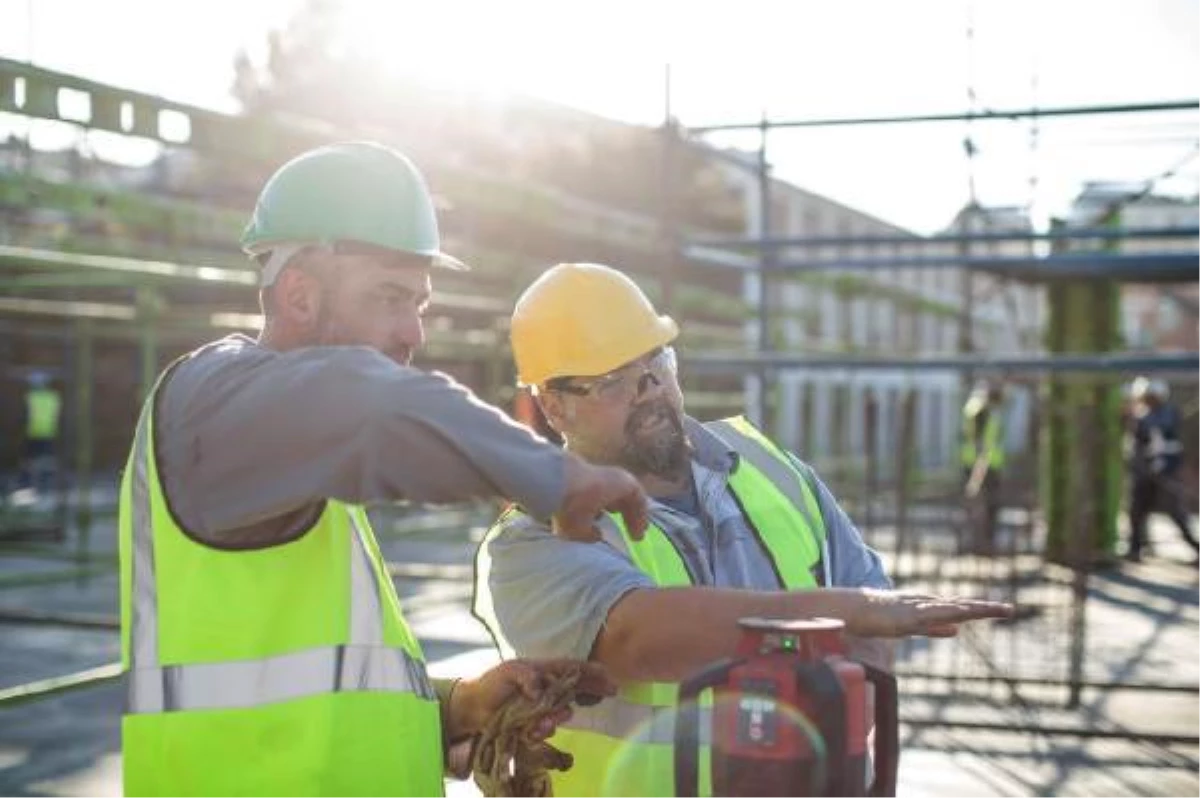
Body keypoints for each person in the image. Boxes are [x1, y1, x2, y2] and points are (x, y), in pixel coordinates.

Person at [117, 143, 650, 797]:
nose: (413, 333)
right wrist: (555, 477)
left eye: (420, 304)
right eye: (391, 297)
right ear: (300, 294)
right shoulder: (212, 407)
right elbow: (367, 399)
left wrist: (457, 707)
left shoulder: (294, 449)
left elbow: (301, 706)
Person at [473, 262, 1014, 798]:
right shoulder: (532, 537)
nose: (648, 390)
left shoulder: (772, 468)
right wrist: (846, 613)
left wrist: (834, 750)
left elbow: (874, 624)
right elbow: (637, 638)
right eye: (614, 381)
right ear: (553, 405)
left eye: (656, 363)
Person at [1125, 376, 1200, 564]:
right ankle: (1136, 549)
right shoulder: (1145, 416)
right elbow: (1139, 447)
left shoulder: (1164, 415)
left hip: (1164, 472)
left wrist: (1159, 466)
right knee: (1137, 512)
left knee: (1176, 513)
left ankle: (1196, 548)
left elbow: (1161, 444)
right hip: (1146, 474)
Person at [961, 379, 1005, 555]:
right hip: (983, 467)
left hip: (982, 464)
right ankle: (982, 544)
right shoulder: (981, 412)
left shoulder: (976, 408)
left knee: (983, 506)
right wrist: (976, 477)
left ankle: (980, 542)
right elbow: (981, 445)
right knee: (985, 506)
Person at [19, 370, 61, 496]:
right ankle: (46, 485)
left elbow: (25, 415)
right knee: (47, 460)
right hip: (49, 433)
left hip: (33, 432)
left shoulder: (30, 397)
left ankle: (28, 486)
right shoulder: (54, 397)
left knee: (28, 461)